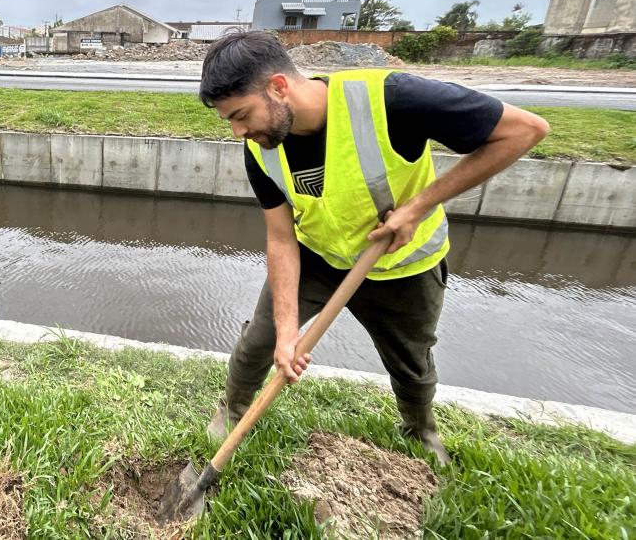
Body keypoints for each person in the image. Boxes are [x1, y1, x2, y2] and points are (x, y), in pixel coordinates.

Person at [199, 31, 549, 465]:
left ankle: (420, 430)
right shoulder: (262, 147)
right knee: (261, 338)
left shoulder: (393, 98)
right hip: (319, 257)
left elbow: (525, 130)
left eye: (241, 115)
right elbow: (280, 236)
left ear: (278, 86)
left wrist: (419, 207)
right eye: (229, 121)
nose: (238, 132)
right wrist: (288, 329)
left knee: (411, 365)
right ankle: (231, 409)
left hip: (403, 266)